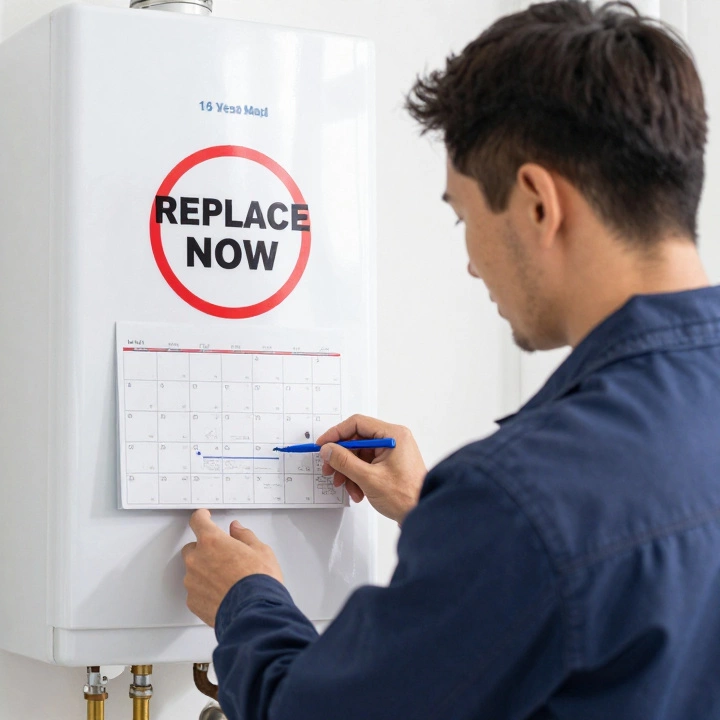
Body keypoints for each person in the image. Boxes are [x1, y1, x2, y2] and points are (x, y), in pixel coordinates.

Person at [181, 1, 719, 717]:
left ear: (535, 203)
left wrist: (243, 603)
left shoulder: (520, 499)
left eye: (464, 217)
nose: (470, 264)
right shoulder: (528, 507)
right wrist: (436, 511)